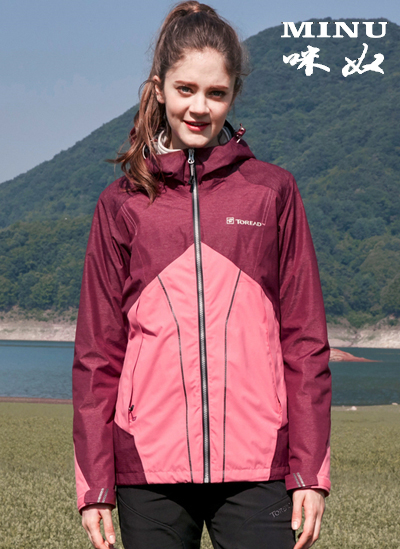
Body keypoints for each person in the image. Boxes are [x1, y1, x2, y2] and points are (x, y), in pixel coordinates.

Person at [72, 2, 332, 549]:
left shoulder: (272, 191)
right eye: (185, 89)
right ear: (159, 89)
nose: (198, 107)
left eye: (215, 93)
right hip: (148, 466)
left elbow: (305, 341)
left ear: (234, 94)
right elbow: (97, 354)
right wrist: (95, 484)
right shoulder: (122, 202)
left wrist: (309, 471)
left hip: (260, 464)